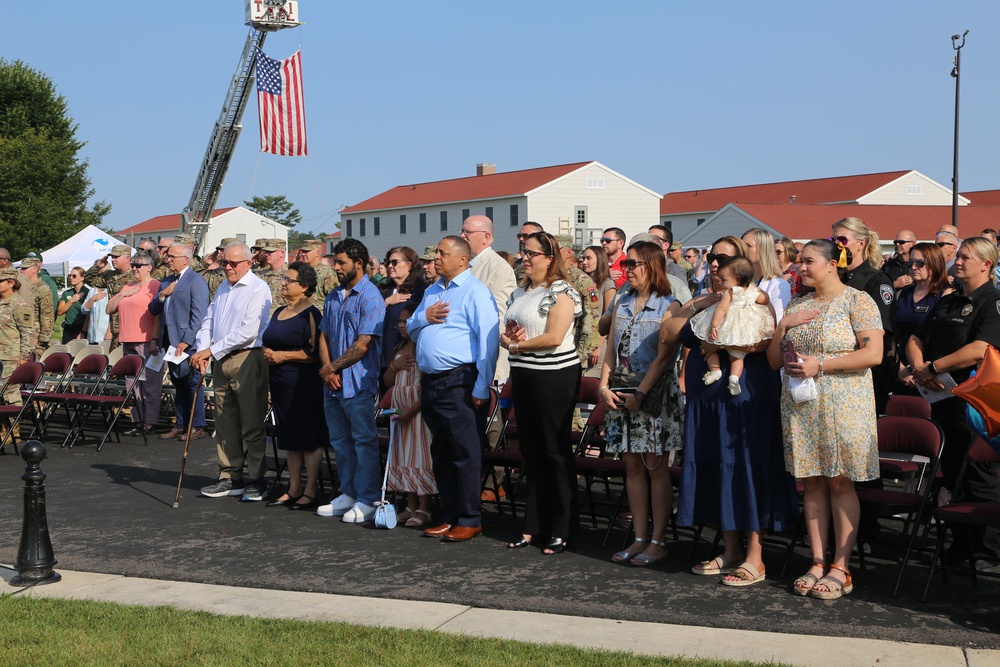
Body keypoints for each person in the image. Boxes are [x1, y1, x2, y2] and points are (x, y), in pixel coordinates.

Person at [671, 235, 797, 587]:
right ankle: (730, 549)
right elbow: (675, 335)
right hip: (709, 398)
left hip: (748, 397)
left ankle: (755, 557)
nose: (714, 265)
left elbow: (771, 338)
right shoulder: (710, 299)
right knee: (718, 466)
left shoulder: (762, 298)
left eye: (723, 260)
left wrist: (730, 341)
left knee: (748, 467)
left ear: (741, 267)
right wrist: (704, 304)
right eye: (712, 258)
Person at [768, 238, 884, 600]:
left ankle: (841, 567)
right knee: (813, 483)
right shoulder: (798, 303)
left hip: (845, 402)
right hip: (803, 405)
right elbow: (774, 361)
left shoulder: (857, 300)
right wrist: (782, 327)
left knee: (839, 482)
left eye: (809, 261)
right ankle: (817, 561)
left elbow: (874, 354)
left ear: (833, 264)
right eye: (800, 262)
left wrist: (822, 366)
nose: (801, 267)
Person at [907, 237, 1000, 565]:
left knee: (978, 474)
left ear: (986, 264)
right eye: (957, 256)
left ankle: (986, 552)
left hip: (975, 404)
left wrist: (933, 367)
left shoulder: (993, 302)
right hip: (942, 398)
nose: (957, 262)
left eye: (964, 257)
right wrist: (920, 368)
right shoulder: (948, 301)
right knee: (952, 471)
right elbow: (916, 338)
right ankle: (960, 548)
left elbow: (980, 349)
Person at [407, 236, 500, 542]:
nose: (436, 258)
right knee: (442, 451)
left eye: (442, 254)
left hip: (459, 380)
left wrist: (481, 387)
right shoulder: (433, 290)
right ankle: (449, 515)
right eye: (436, 253)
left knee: (464, 452)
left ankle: (470, 517)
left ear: (462, 259)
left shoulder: (475, 292)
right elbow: (410, 327)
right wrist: (425, 316)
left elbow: (488, 341)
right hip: (432, 381)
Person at [599, 241, 682, 566]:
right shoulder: (622, 300)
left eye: (634, 264)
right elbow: (609, 349)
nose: (627, 269)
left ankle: (658, 540)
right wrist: (604, 386)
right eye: (627, 264)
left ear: (652, 265)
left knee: (654, 467)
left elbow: (665, 357)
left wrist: (641, 394)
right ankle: (638, 537)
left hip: (653, 394)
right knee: (632, 466)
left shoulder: (669, 305)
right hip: (621, 388)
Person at [502, 232, 583, 555]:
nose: (526, 258)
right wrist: (511, 337)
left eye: (533, 253)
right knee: (532, 453)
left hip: (555, 377)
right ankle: (532, 526)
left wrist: (517, 344)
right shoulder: (520, 292)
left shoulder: (561, 292)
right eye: (524, 252)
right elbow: (505, 332)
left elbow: (553, 337)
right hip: (524, 375)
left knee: (555, 452)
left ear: (550, 258)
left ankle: (562, 528)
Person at [191, 242, 272, 501]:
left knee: (251, 424)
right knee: (225, 423)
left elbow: (249, 331)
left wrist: (211, 350)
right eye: (225, 262)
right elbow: (209, 320)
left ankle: (257, 479)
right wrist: (203, 347)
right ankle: (229, 476)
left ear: (248, 263)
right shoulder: (224, 287)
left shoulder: (258, 288)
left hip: (247, 358)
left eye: (233, 263)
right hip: (220, 359)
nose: (227, 267)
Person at [316, 238, 385, 523]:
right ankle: (349, 492)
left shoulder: (371, 296)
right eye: (334, 262)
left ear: (359, 263)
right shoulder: (333, 295)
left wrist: (331, 367)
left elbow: (363, 344)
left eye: (341, 262)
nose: (336, 267)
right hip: (332, 382)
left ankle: (368, 498)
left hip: (358, 383)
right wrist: (327, 369)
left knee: (363, 441)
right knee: (340, 442)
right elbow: (323, 334)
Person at [262, 262, 327, 511]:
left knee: (307, 437)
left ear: (305, 286)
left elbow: (314, 352)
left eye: (289, 280)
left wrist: (284, 357)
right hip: (279, 382)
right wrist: (267, 351)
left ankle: (310, 491)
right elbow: (269, 339)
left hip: (302, 383)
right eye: (284, 278)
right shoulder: (279, 311)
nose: (284, 283)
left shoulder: (311, 314)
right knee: (289, 436)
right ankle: (293, 488)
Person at [832, 217, 895, 414]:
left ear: (861, 243)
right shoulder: (834, 278)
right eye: (832, 239)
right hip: (835, 372)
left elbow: (880, 330)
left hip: (865, 373)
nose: (836, 244)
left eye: (842, 240)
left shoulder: (876, 280)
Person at [383, 303, 437, 528]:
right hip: (399, 410)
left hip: (417, 412)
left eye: (406, 321)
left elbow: (427, 388)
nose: (401, 325)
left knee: (420, 457)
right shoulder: (399, 348)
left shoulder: (421, 348)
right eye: (400, 321)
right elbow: (387, 382)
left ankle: (424, 507)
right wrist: (394, 366)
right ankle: (410, 505)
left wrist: (410, 412)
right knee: (403, 457)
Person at [148, 244, 208, 440]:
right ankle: (181, 424)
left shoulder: (196, 281)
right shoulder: (166, 281)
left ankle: (197, 425)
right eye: (168, 257)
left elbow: (199, 315)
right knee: (178, 384)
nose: (168, 260)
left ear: (186, 259)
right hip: (169, 342)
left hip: (186, 344)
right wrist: (163, 294)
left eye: (172, 257)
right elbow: (153, 309)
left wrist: (187, 340)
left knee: (191, 383)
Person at [690, 257, 773, 396]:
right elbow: (765, 299)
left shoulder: (730, 291)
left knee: (709, 345)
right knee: (737, 356)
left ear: (738, 279)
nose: (721, 282)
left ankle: (715, 370)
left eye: (724, 280)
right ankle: (734, 378)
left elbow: (722, 309)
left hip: (728, 324)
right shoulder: (752, 290)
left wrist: (714, 325)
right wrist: (759, 292)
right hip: (744, 327)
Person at [106, 251, 162, 437]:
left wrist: (155, 339)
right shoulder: (128, 286)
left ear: (149, 267)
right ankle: (137, 420)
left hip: (147, 341)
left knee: (149, 384)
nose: (135, 268)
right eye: (133, 265)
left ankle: (150, 421)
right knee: (132, 384)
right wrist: (124, 294)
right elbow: (109, 309)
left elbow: (159, 314)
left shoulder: (155, 286)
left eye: (139, 265)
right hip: (127, 340)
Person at [463, 216, 517, 385]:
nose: (462, 236)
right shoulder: (464, 265)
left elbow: (498, 320)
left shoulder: (499, 268)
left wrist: (491, 366)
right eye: (462, 231)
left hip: (484, 361)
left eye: (468, 232)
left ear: (486, 237)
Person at [894, 243, 951, 394]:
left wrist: (925, 371)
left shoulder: (947, 295)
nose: (913, 267)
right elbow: (890, 335)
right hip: (903, 373)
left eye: (919, 263)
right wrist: (900, 369)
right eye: (910, 263)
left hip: (932, 374)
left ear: (934, 264)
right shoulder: (902, 294)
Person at [380, 246, 427, 388]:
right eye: (388, 262)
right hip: (383, 357)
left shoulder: (422, 291)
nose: (389, 266)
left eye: (394, 262)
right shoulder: (383, 290)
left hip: (408, 360)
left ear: (410, 265)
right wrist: (387, 302)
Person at [555, 236, 600, 367]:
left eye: (557, 250)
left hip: (572, 350)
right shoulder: (547, 277)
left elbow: (591, 319)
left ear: (569, 252)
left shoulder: (581, 280)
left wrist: (580, 354)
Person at [84, 244, 133, 349]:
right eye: (112, 257)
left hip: (130, 325)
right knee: (115, 360)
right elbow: (89, 280)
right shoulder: (110, 275)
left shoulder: (136, 274)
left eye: (116, 257)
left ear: (127, 258)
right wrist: (97, 266)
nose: (113, 260)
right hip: (114, 326)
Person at [0, 268, 36, 405]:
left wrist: (23, 357)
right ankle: (4, 425)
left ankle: (14, 424)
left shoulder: (19, 304)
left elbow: (27, 332)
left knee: (10, 392)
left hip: (10, 357)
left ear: (11, 283)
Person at [741, 229, 792, 321]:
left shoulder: (779, 285)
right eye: (742, 245)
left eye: (748, 246)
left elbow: (778, 321)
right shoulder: (739, 280)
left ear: (763, 249)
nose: (743, 250)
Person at [17, 257, 54, 355]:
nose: (21, 271)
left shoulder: (42, 288)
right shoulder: (23, 286)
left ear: (34, 269)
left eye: (24, 268)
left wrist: (43, 338)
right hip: (24, 334)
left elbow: (47, 314)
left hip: (35, 336)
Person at [297, 239, 339, 312]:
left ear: (317, 253)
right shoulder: (300, 271)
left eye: (307, 251)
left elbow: (334, 299)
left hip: (319, 317)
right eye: (303, 251)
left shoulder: (327, 272)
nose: (303, 254)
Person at [56, 267, 89, 342]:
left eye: (74, 276)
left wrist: (83, 331)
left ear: (82, 278)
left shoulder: (88, 293)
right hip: (68, 327)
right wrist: (71, 301)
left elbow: (89, 315)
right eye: (70, 276)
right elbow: (60, 312)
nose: (71, 278)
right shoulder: (67, 293)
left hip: (82, 327)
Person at [256, 239, 288, 315]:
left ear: (282, 253)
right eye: (266, 252)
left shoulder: (291, 275)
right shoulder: (259, 274)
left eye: (270, 252)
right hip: (261, 320)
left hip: (281, 320)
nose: (266, 254)